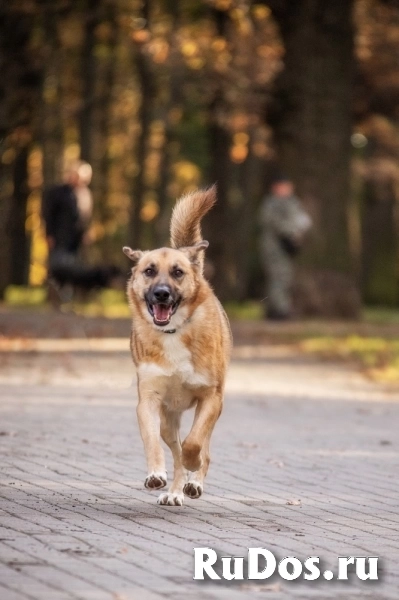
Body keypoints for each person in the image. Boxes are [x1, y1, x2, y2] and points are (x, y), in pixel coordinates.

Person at [259, 176, 312, 320]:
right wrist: (290, 232)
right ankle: (279, 310)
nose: (288, 190)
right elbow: (275, 223)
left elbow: (301, 220)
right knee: (278, 277)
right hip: (275, 248)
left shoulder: (291, 202)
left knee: (284, 277)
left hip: (286, 247)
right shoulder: (272, 204)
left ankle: (276, 308)